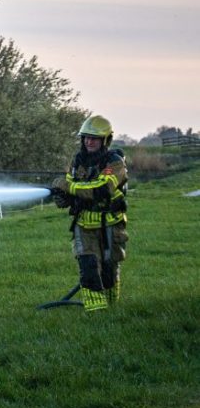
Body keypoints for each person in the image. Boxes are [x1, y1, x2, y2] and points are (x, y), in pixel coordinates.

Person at [50, 115, 128, 311]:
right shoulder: (77, 161)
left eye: (94, 138)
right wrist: (62, 196)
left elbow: (101, 189)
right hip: (83, 225)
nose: (88, 141)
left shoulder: (115, 163)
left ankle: (111, 309)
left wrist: (69, 187)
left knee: (109, 269)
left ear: (105, 140)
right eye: (85, 137)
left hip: (110, 224)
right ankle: (96, 311)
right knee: (89, 267)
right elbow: (70, 186)